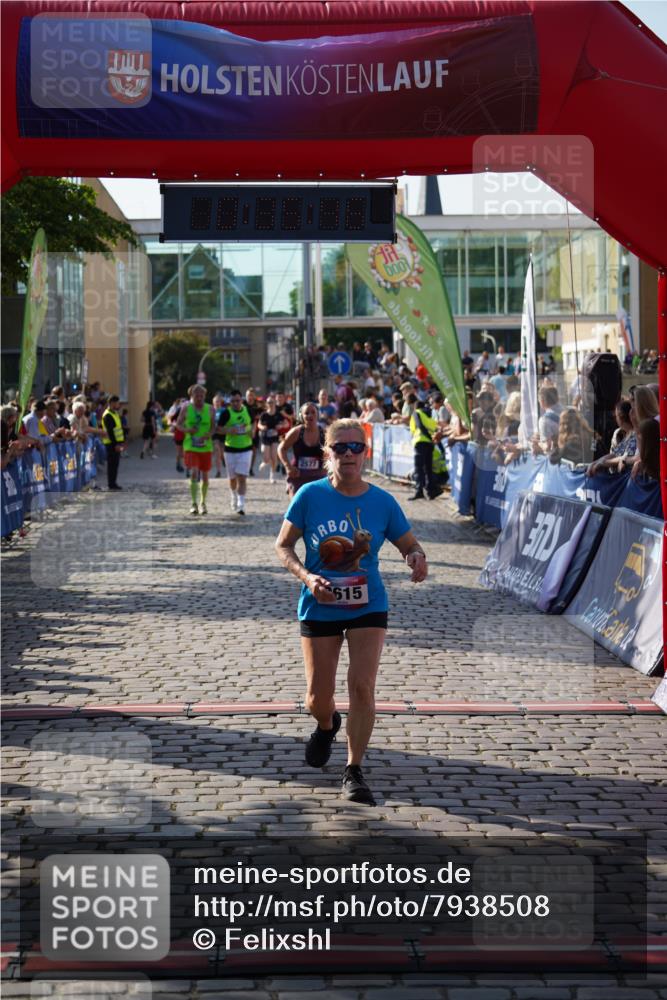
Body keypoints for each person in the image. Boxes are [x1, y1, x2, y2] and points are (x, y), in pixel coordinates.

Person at [275, 418, 428, 806]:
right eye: (339, 448)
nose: (348, 454)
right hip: (319, 603)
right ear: (328, 453)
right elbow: (283, 546)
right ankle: (326, 726)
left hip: (368, 604)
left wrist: (416, 557)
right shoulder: (309, 496)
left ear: (366, 453)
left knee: (362, 686)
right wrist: (308, 577)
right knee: (317, 698)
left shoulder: (382, 501)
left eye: (355, 447)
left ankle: (354, 769)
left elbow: (409, 542)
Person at [177, 385, 215, 515]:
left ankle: (203, 503)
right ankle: (193, 503)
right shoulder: (186, 409)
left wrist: (209, 434)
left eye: (201, 396)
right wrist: (188, 430)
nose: (199, 398)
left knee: (205, 476)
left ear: (205, 396)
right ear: (191, 396)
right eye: (196, 395)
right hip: (191, 446)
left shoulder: (210, 409)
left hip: (205, 446)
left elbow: (214, 427)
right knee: (194, 472)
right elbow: (178, 424)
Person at [278, 402, 327, 497]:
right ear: (302, 416)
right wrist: (288, 466)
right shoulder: (297, 432)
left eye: (313, 412)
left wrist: (327, 466)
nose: (310, 415)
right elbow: (281, 448)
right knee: (297, 508)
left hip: (318, 477)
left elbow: (331, 452)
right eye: (307, 413)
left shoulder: (323, 433)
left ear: (318, 415)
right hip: (297, 476)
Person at [217, 388, 254, 514]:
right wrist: (228, 430)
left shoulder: (248, 410)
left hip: (246, 449)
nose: (235, 403)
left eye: (237, 401)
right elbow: (218, 429)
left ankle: (241, 504)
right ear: (230, 402)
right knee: (232, 479)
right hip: (230, 450)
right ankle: (233, 495)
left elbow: (253, 423)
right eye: (232, 401)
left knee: (242, 477)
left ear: (241, 401)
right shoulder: (225, 413)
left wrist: (251, 431)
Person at [408, 399, 443, 501]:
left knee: (419, 468)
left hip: (420, 442)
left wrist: (427, 437)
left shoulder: (417, 412)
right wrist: (431, 439)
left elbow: (419, 426)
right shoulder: (430, 415)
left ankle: (419, 491)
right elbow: (435, 428)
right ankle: (431, 491)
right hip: (429, 444)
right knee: (428, 468)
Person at [102, 395, 125, 491]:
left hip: (116, 443)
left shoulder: (114, 413)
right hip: (111, 444)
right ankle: (111, 484)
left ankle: (113, 483)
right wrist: (116, 444)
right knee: (112, 465)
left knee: (115, 464)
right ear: (112, 403)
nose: (118, 405)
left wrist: (121, 442)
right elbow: (110, 432)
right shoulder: (108, 415)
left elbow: (118, 429)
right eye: (117, 403)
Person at [258, 395, 282, 483]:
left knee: (274, 457)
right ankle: (264, 462)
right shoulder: (264, 415)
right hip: (265, 437)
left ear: (275, 403)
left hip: (275, 438)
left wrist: (281, 426)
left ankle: (272, 475)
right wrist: (262, 427)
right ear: (266, 404)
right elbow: (259, 424)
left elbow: (286, 423)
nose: (270, 404)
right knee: (267, 458)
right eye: (269, 402)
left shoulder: (278, 414)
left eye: (272, 402)